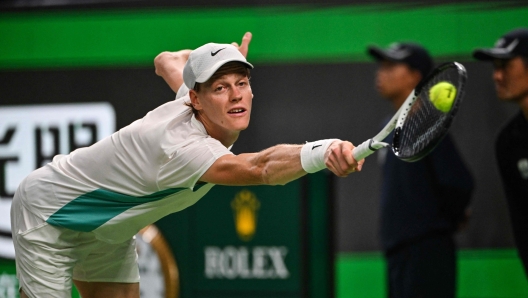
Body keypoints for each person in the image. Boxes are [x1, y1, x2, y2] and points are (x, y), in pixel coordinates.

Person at [10, 32, 364, 298]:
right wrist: (324, 150)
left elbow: (165, 60)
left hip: (108, 229)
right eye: (221, 87)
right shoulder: (181, 147)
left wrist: (210, 59)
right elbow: (261, 168)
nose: (236, 94)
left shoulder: (192, 98)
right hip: (51, 214)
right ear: (196, 99)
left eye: (242, 83)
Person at [367, 42, 474, 298]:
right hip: (398, 253)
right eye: (382, 65)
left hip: (427, 254)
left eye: (392, 66)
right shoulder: (389, 127)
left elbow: (459, 183)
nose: (381, 72)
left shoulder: (427, 125)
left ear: (415, 76)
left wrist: (441, 223)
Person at [473, 28, 528, 277]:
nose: (496, 75)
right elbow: (522, 224)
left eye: (505, 65)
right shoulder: (508, 143)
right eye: (495, 67)